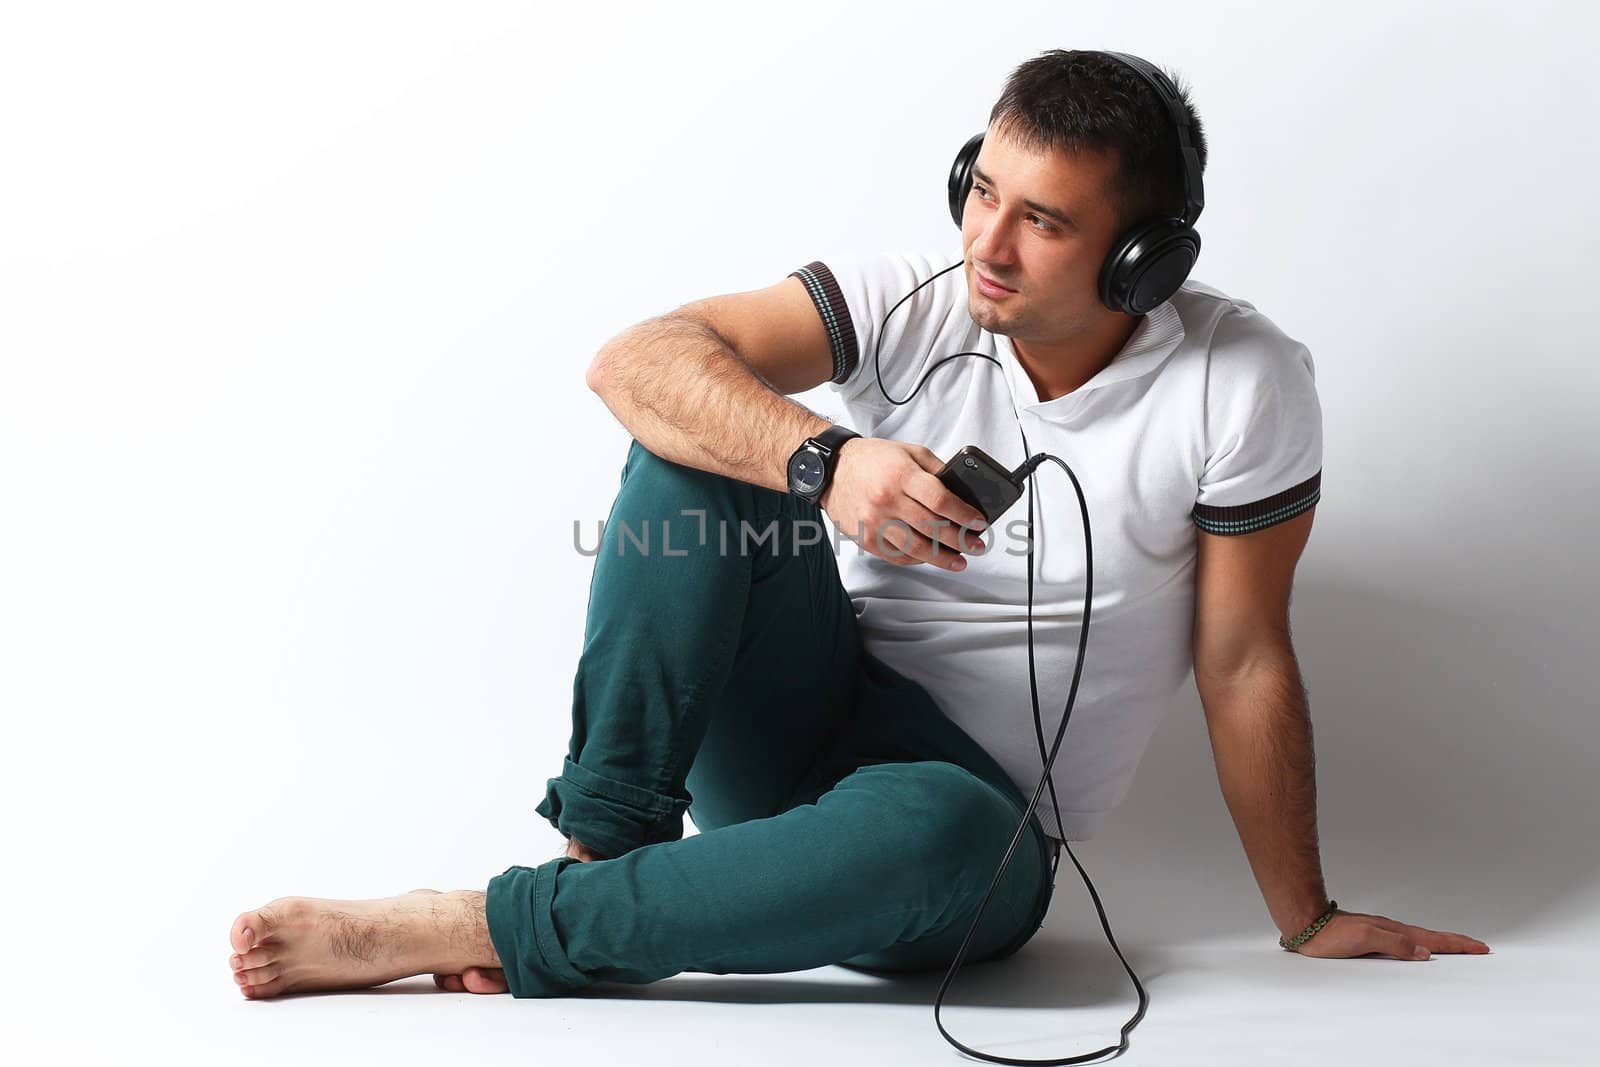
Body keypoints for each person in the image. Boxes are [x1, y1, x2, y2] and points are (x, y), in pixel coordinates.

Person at [226, 49, 1488, 1001]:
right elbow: (637, 359)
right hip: (799, 714)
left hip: (964, 818)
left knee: (940, 828)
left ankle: (491, 921)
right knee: (699, 454)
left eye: (1041, 222)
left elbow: (1243, 653)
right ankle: (594, 859)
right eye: (980, 192)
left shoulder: (1242, 376)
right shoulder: (913, 297)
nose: (985, 245)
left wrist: (1306, 912)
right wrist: (822, 459)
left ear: (1139, 262)